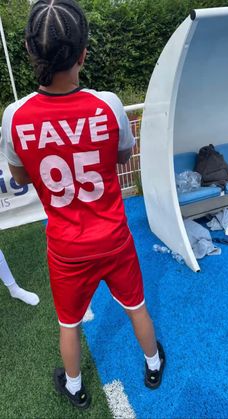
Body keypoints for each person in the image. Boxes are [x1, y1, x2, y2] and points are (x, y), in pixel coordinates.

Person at [0, 0, 165, 409]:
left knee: (68, 323)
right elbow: (123, 157)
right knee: (137, 307)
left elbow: (20, 177)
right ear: (84, 51)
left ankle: (75, 387)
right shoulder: (108, 103)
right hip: (113, 237)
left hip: (66, 247)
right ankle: (153, 362)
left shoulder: (14, 116)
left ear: (29, 50)